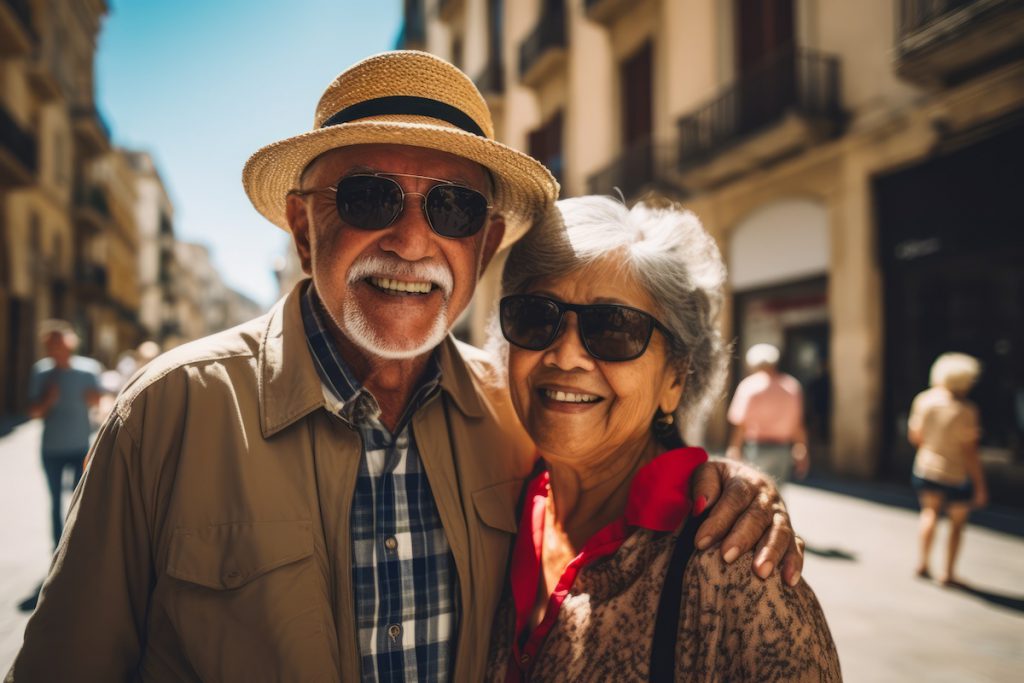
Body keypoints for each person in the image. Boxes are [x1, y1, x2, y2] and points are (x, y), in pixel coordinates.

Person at [9, 52, 802, 682]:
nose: (413, 241)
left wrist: (725, 482)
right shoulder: (169, 412)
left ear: (485, 244)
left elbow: (621, 472)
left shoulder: (518, 412)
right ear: (303, 224)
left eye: (452, 207)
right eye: (369, 197)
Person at [486, 196, 840, 681]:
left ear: (675, 378)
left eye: (614, 328)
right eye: (535, 318)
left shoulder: (737, 571)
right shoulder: (494, 498)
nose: (565, 355)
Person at [909, 352, 988, 587]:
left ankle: (923, 562)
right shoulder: (966, 409)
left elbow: (915, 436)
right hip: (956, 473)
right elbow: (970, 451)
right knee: (957, 524)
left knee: (929, 513)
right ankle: (948, 572)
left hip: (927, 466)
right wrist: (980, 485)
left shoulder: (924, 400)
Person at [26, 321, 102, 548]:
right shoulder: (41, 371)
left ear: (70, 344)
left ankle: (76, 542)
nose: (54, 348)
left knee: (79, 499)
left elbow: (99, 402)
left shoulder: (89, 369)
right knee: (55, 501)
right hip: (51, 448)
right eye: (50, 344)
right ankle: (57, 546)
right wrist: (48, 399)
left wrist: (94, 399)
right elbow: (35, 413)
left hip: (80, 446)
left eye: (58, 342)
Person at [726, 343, 810, 484]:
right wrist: (801, 448)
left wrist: (734, 448)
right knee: (777, 494)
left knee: (755, 492)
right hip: (782, 449)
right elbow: (798, 424)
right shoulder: (791, 386)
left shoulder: (749, 386)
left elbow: (740, 423)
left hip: (757, 449)